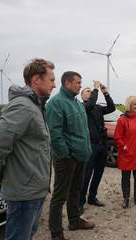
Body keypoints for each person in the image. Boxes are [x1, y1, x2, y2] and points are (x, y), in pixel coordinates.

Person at [0, 58, 55, 240]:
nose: (54, 85)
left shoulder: (36, 106)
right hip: (24, 192)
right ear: (36, 79)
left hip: (33, 190)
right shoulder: (23, 106)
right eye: (51, 80)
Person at [46, 71, 94, 240]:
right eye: (77, 82)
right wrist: (66, 154)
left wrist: (84, 151)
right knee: (59, 196)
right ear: (67, 83)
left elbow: (83, 132)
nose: (80, 85)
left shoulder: (77, 103)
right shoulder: (56, 103)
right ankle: (56, 233)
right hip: (66, 159)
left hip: (80, 156)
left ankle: (74, 221)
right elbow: (55, 134)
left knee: (75, 190)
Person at [79, 81, 115, 212]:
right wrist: (95, 89)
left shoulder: (98, 108)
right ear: (82, 97)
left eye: (90, 91)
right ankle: (80, 201)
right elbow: (89, 105)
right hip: (91, 145)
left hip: (102, 144)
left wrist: (105, 93)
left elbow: (111, 108)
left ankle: (92, 197)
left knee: (98, 173)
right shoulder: (82, 107)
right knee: (86, 174)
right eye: (87, 91)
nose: (90, 92)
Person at [114, 96, 136, 208]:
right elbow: (118, 137)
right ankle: (126, 198)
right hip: (126, 154)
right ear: (129, 105)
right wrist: (124, 148)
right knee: (126, 177)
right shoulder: (122, 120)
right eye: (134, 104)